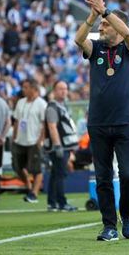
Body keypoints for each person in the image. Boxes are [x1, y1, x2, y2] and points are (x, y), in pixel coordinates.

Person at [75, 0, 129, 241]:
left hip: (125, 121)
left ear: (115, 25)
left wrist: (106, 12)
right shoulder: (97, 47)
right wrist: (92, 16)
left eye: (104, 24)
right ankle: (108, 225)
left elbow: (127, 33)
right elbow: (79, 39)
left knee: (128, 175)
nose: (101, 27)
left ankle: (127, 215)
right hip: (98, 122)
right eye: (101, 24)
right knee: (103, 177)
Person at [44, 80, 79, 212]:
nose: (64, 91)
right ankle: (61, 203)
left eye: (65, 89)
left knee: (55, 174)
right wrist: (58, 145)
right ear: (54, 91)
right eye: (60, 89)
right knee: (60, 174)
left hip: (62, 145)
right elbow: (52, 127)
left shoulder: (61, 106)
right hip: (58, 147)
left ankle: (52, 202)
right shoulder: (53, 107)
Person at [12, 78, 47, 204]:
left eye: (26, 87)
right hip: (20, 140)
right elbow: (16, 120)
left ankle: (34, 193)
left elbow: (45, 123)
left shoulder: (41, 104)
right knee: (17, 167)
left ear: (34, 89)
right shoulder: (20, 102)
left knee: (36, 169)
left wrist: (40, 140)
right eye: (23, 87)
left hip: (34, 140)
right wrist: (14, 137)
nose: (23, 90)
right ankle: (28, 186)